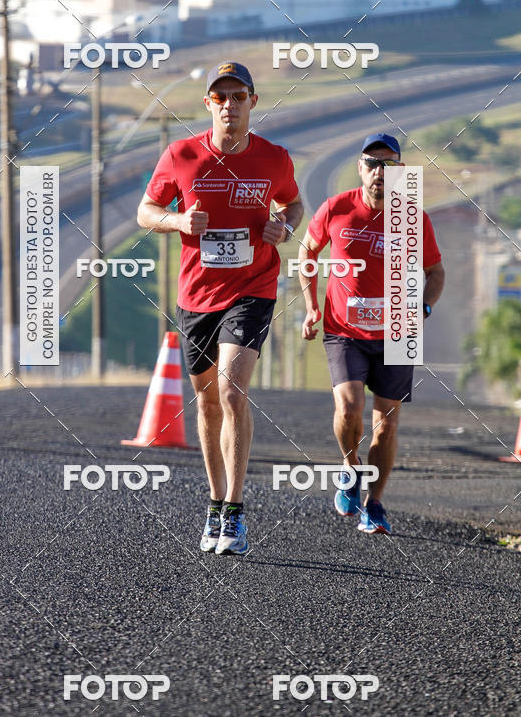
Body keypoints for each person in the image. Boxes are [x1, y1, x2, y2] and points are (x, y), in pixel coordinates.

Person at [137, 61, 303, 555]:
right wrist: (179, 222)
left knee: (232, 389)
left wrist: (286, 228)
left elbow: (293, 204)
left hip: (253, 287)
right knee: (206, 400)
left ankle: (235, 510)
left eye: (238, 96)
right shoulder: (181, 154)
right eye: (220, 97)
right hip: (197, 295)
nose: (229, 105)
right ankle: (214, 502)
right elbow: (145, 212)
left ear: (253, 101)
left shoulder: (274, 158)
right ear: (208, 104)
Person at [298, 132, 445, 534]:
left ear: (400, 172)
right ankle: (349, 466)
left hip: (397, 329)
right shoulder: (336, 208)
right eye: (372, 164)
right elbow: (307, 252)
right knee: (348, 408)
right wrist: (311, 306)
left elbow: (435, 273)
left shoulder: (413, 217)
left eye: (389, 165)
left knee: (387, 424)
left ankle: (374, 504)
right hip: (344, 328)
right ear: (360, 168)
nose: (380, 173)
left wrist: (424, 307)